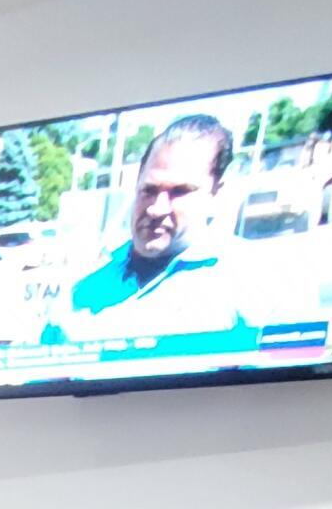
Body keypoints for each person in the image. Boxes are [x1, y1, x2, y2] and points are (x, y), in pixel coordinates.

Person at [40, 113, 262, 346]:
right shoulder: (81, 290)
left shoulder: (247, 282)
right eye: (149, 190)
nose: (156, 209)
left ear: (215, 193)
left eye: (179, 192)